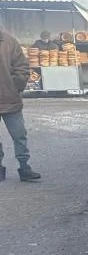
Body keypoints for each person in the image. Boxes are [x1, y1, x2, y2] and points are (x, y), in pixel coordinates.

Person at [0, 28, 39, 182]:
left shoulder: (9, 41)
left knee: (19, 135)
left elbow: (22, 66)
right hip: (10, 96)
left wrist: (16, 86)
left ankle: (24, 167)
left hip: (10, 98)